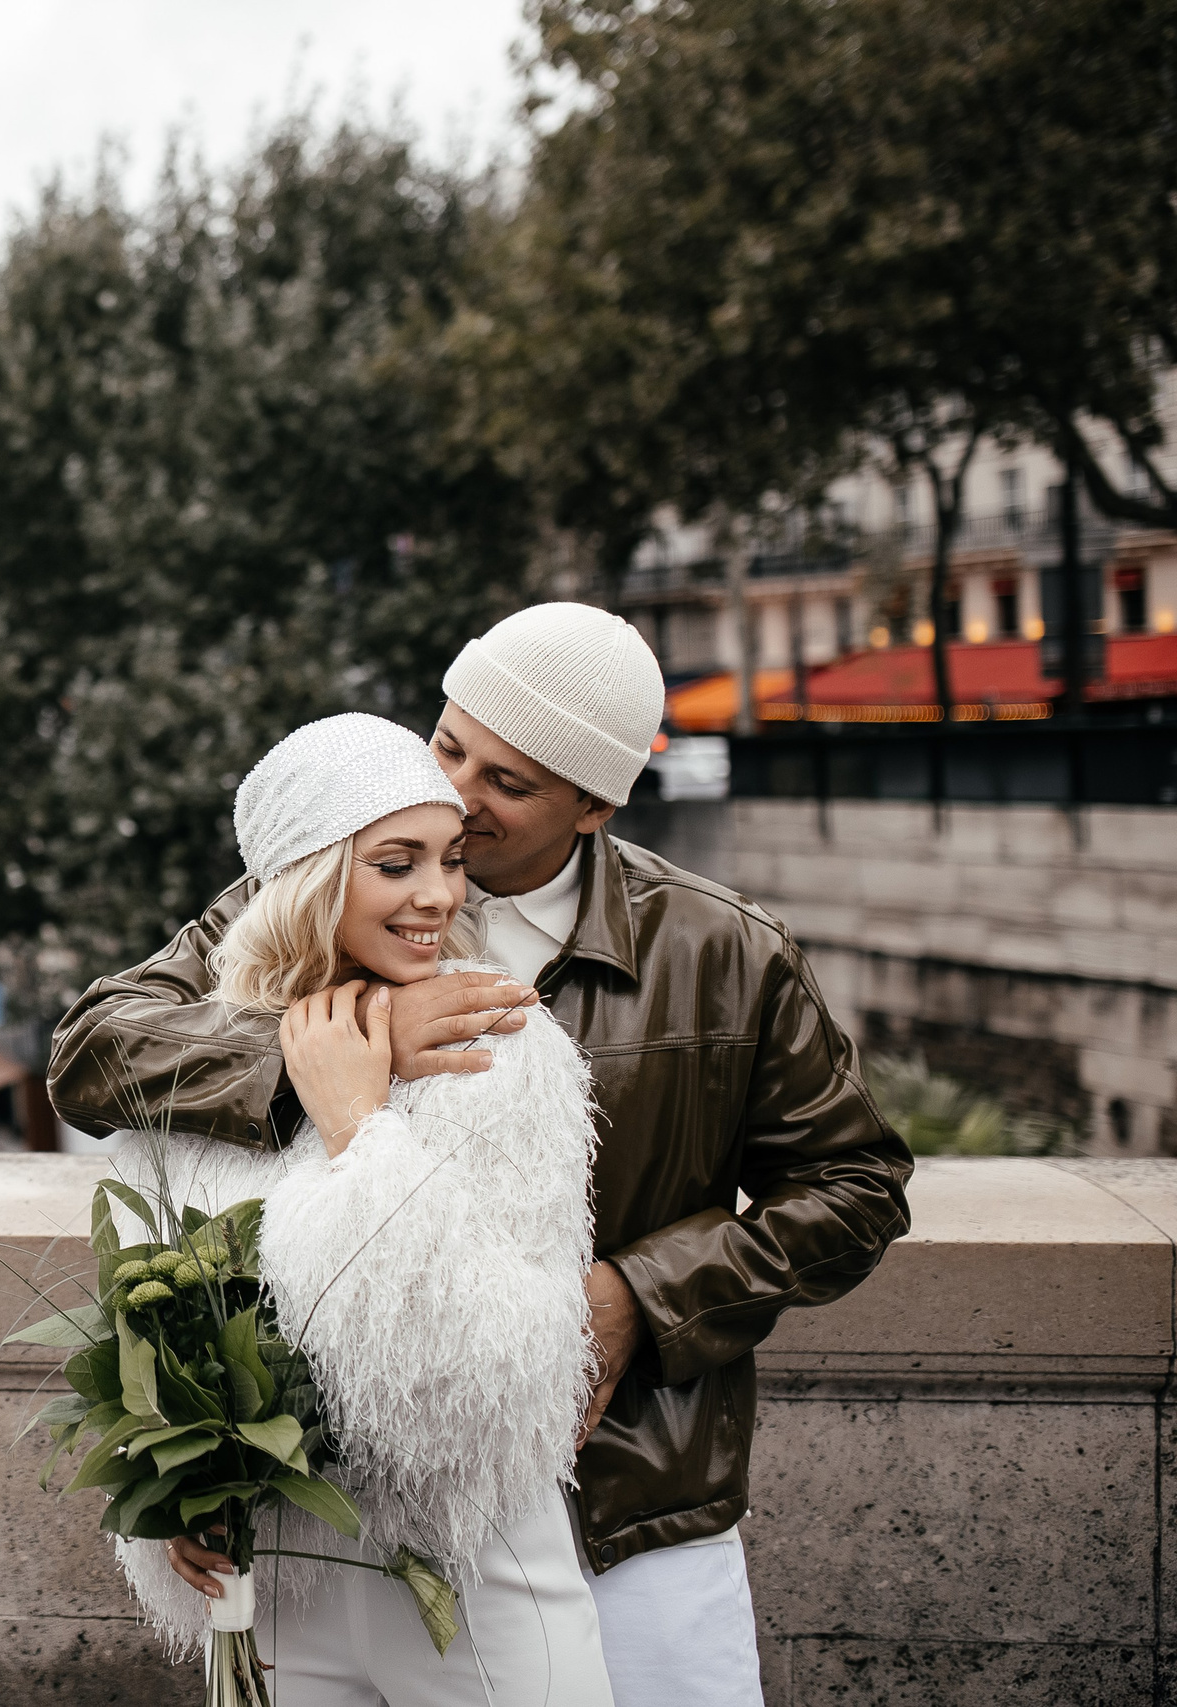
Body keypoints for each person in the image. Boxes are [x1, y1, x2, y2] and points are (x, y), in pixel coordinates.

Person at [51, 603, 914, 1707]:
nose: (455, 792)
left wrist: (635, 1299)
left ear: (594, 804)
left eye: (506, 784)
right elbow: (95, 1049)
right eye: (449, 743)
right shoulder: (333, 867)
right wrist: (316, 1054)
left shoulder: (723, 951)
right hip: (362, 1510)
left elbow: (854, 1188)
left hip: (629, 1503)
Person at [105, 712, 615, 1706]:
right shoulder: (201, 1068)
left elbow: (477, 1381)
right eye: (395, 863)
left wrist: (357, 1125)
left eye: (449, 859)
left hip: (472, 1588)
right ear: (308, 877)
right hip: (279, 1590)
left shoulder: (496, 1044)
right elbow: (149, 1329)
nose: (439, 895)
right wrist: (172, 1496)